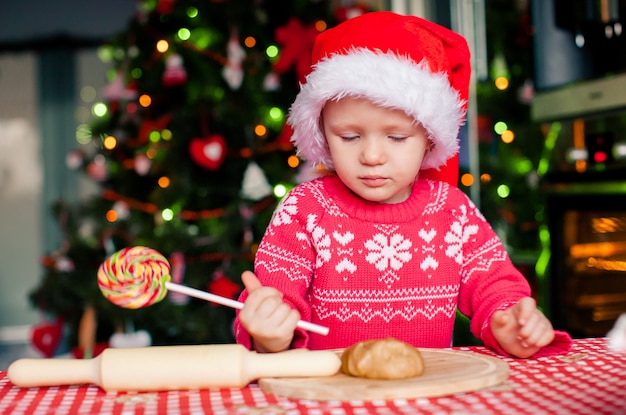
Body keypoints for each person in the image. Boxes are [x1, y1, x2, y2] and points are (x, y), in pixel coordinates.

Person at [234, 11, 572, 358]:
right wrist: (269, 335)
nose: (372, 155)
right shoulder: (304, 210)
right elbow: (274, 304)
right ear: (322, 134)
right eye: (349, 136)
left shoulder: (451, 211)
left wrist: (510, 321)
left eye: (396, 137)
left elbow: (495, 286)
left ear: (429, 138)